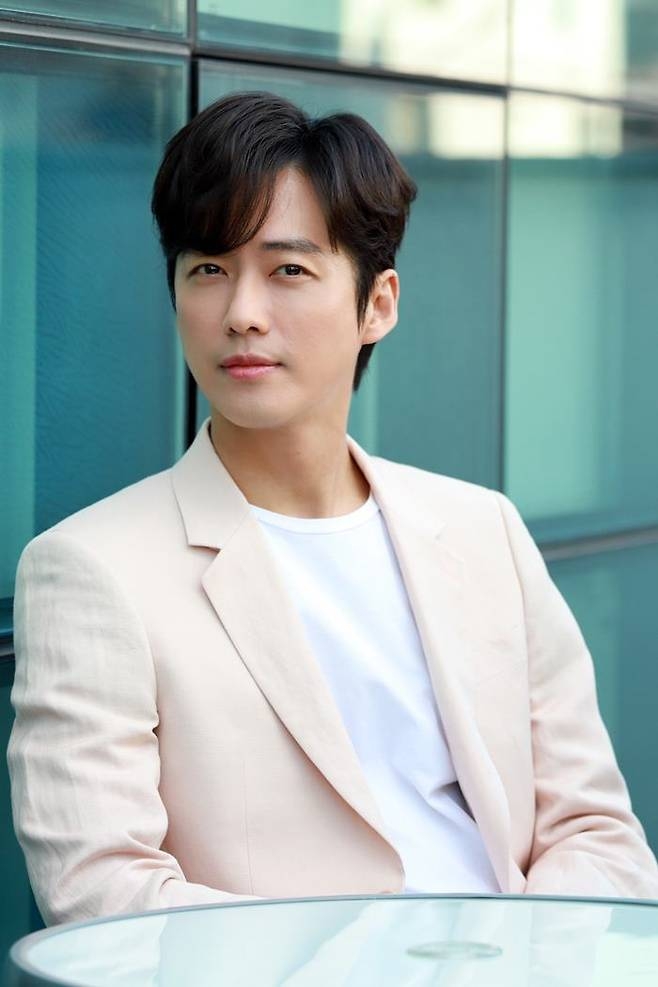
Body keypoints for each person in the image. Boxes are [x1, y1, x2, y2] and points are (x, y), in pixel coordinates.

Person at [8, 92, 658, 927]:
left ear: (377, 303)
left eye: (288, 270)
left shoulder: (482, 529)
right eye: (208, 269)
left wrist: (516, 958)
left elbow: (596, 831)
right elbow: (103, 897)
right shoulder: (95, 568)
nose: (241, 313)